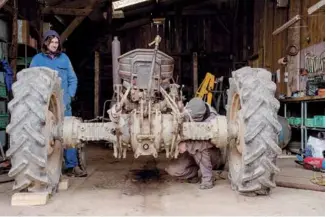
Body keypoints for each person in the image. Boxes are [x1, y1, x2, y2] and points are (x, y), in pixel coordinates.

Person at [30, 30, 87, 177]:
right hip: (43, 106)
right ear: (45, 43)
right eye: (52, 42)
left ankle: (71, 166)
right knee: (41, 134)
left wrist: (69, 96)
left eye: (56, 42)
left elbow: (73, 79)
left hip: (62, 104)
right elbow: (30, 80)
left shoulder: (64, 59)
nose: (54, 45)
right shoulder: (37, 60)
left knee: (68, 133)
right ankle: (41, 166)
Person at [165, 97, 221, 189]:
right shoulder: (190, 110)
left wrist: (187, 145)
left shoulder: (213, 121)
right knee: (173, 170)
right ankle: (193, 174)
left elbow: (210, 143)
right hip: (192, 151)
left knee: (200, 147)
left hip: (211, 155)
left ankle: (207, 179)